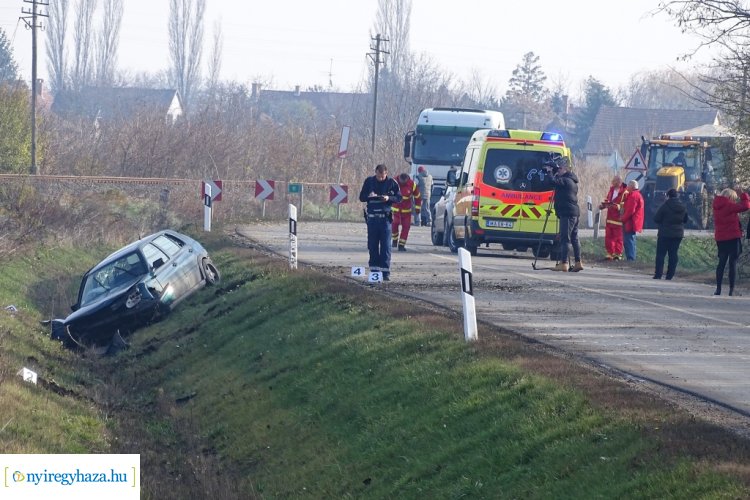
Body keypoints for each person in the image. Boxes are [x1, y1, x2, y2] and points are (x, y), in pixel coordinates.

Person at [359, 164, 402, 281]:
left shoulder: (392, 183)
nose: (380, 178)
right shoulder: (369, 182)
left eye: (382, 176)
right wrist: (369, 196)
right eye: (378, 176)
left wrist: (388, 198)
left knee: (386, 247)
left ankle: (385, 273)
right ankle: (374, 271)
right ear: (375, 173)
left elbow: (399, 198)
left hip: (385, 220)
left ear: (386, 173)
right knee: (372, 246)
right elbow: (361, 197)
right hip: (372, 219)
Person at [545, 156, 583, 272]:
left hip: (567, 213)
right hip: (574, 213)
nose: (559, 170)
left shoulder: (566, 181)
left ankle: (564, 263)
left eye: (560, 169)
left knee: (565, 238)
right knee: (574, 238)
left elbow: (552, 182)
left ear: (566, 169)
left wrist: (550, 172)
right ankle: (578, 262)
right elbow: (554, 183)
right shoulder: (572, 181)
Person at [712, 186, 750, 296]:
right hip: (732, 238)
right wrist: (743, 195)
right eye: (733, 198)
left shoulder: (716, 206)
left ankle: (718, 289)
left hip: (720, 238)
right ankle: (731, 290)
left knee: (721, 263)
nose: (734, 200)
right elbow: (746, 206)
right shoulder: (729, 205)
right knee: (732, 263)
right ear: (729, 197)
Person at [652, 188, 687, 280]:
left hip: (664, 233)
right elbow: (686, 219)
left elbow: (656, 218)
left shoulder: (665, 206)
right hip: (677, 234)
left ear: (668, 196)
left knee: (661, 254)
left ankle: (658, 274)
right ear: (677, 196)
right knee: (673, 254)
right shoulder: (682, 206)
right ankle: (670, 275)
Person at [599, 175, 628, 260]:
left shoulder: (624, 192)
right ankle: (610, 253)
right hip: (610, 218)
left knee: (618, 237)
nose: (613, 183)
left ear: (619, 182)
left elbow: (624, 205)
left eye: (615, 181)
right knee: (608, 237)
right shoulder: (611, 190)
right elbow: (607, 199)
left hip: (618, 219)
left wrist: (616, 206)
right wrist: (604, 205)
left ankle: (618, 254)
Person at [391, 173, 422, 251]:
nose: (403, 183)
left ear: (407, 179)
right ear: (399, 179)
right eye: (401, 182)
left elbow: (417, 197)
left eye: (404, 182)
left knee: (406, 227)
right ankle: (394, 239)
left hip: (406, 210)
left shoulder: (412, 184)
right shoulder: (393, 182)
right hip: (395, 210)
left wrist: (418, 208)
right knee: (395, 224)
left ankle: (401, 245)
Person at [620, 179, 645, 261]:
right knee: (630, 239)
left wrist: (622, 219)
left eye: (629, 185)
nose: (627, 187)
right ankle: (631, 258)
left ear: (632, 186)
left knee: (629, 240)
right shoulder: (637, 195)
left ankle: (630, 258)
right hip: (633, 221)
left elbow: (630, 210)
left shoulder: (633, 196)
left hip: (630, 222)